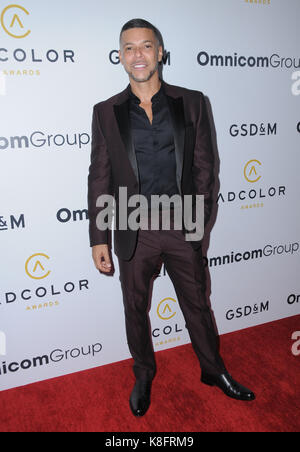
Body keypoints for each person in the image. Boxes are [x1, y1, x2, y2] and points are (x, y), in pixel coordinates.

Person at [88, 18, 255, 417]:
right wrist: (98, 237)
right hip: (133, 230)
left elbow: (205, 170)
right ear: (120, 56)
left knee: (197, 304)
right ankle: (143, 374)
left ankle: (213, 371)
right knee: (135, 307)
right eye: (129, 48)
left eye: (146, 46)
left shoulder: (192, 101)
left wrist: (198, 225)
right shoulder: (106, 111)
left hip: (182, 227)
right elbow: (100, 175)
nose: (138, 55)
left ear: (160, 52)